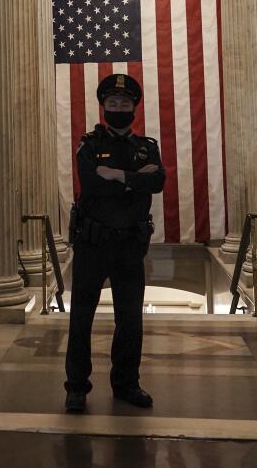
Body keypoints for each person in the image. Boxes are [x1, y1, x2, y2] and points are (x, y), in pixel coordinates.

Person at [64, 73, 165, 413]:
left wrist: (118, 176)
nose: (118, 107)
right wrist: (136, 180)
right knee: (81, 318)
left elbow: (158, 182)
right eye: (112, 103)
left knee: (130, 320)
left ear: (134, 107)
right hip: (93, 245)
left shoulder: (147, 147)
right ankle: (77, 387)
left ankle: (126, 383)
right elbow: (92, 185)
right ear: (103, 106)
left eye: (124, 103)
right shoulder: (89, 145)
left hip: (129, 247)